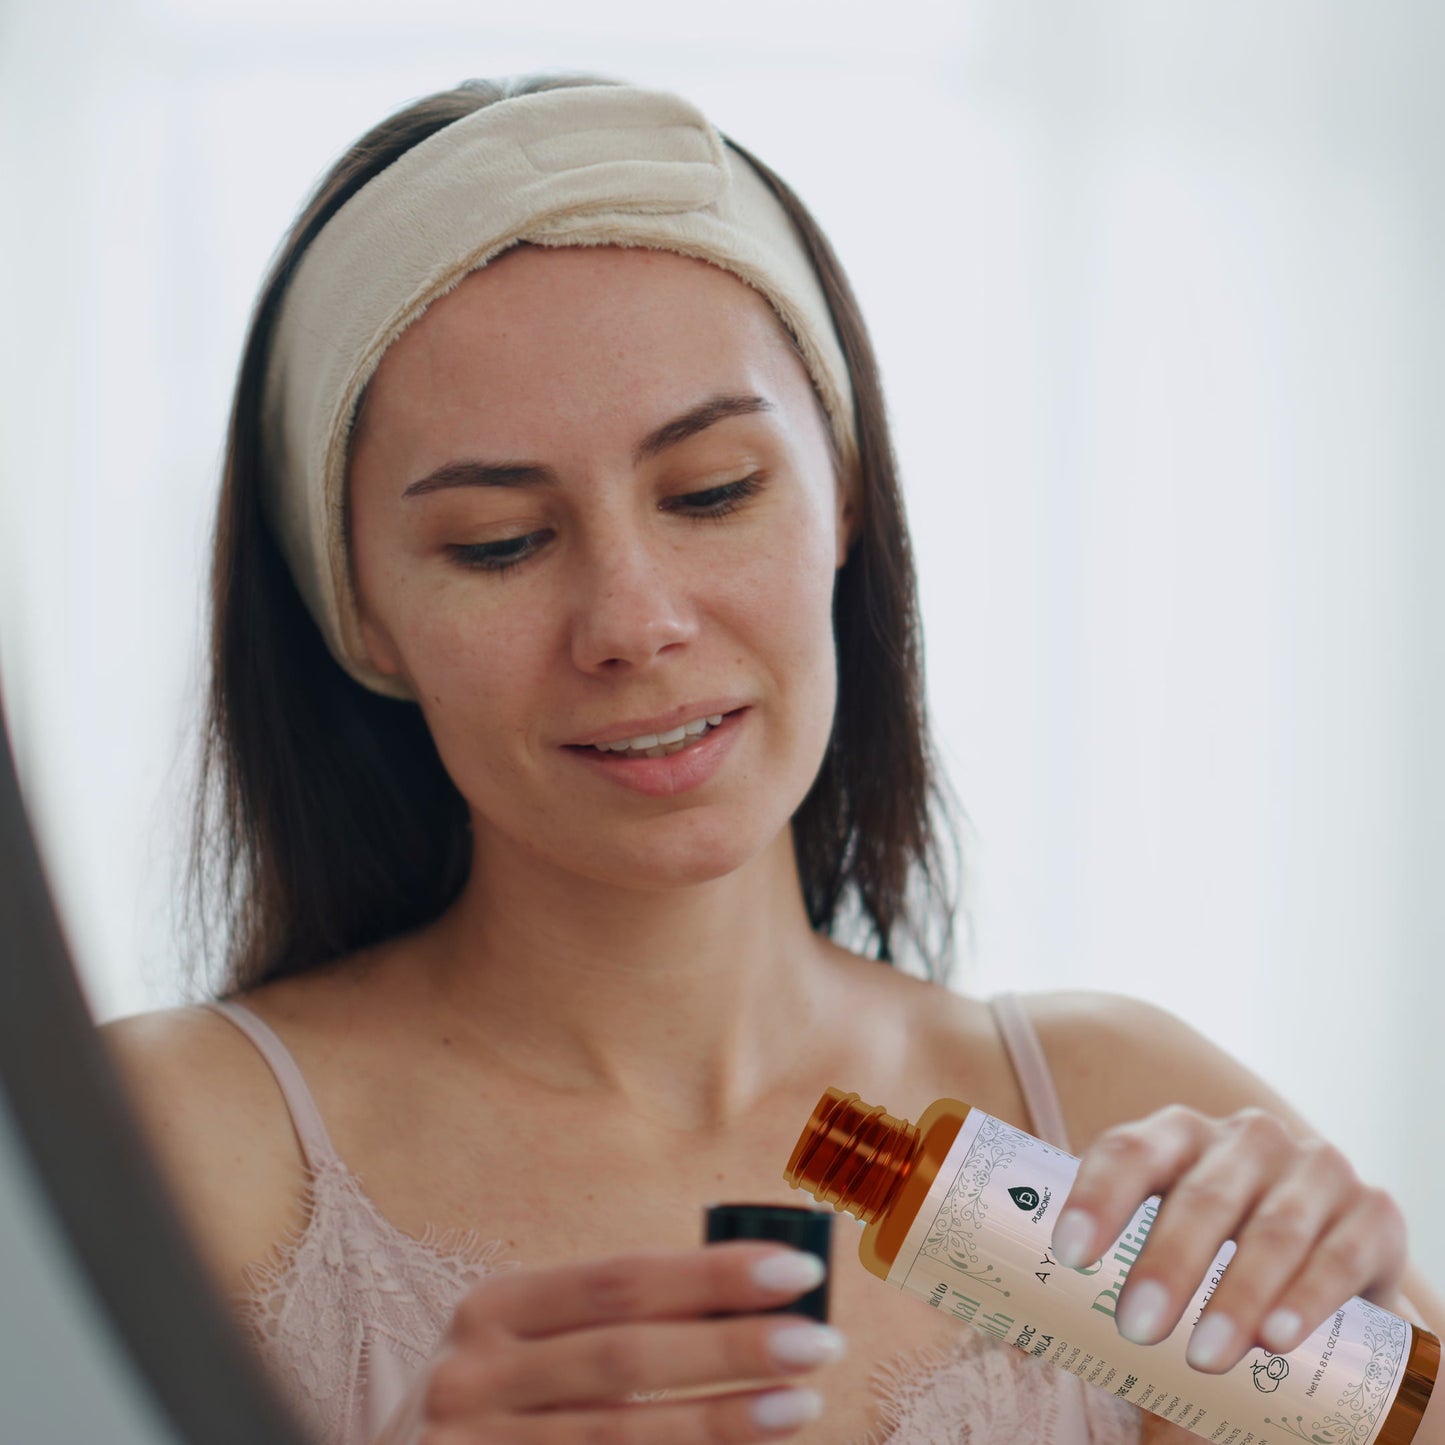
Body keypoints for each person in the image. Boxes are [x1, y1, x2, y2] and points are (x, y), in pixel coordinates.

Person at [99, 72, 1444, 1445]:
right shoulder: (166, 1149)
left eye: (712, 491)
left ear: (843, 491)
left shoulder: (1099, 1122)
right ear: (360, 612)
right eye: (499, 539)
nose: (633, 620)